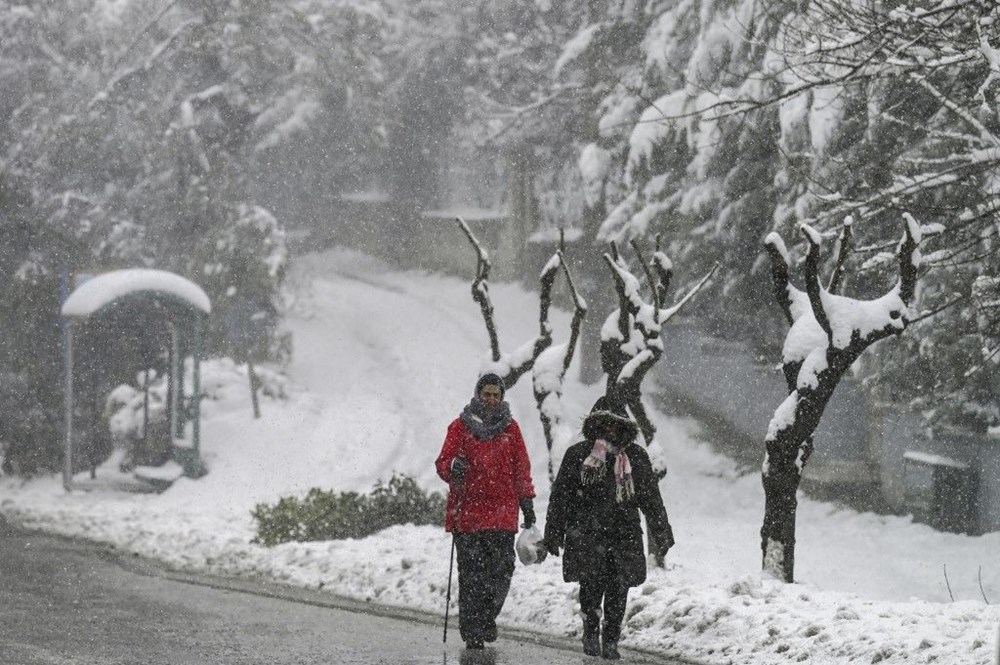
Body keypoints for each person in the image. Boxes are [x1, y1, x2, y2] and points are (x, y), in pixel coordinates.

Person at [543, 395, 674, 660]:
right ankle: (590, 630)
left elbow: (651, 498)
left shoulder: (636, 457)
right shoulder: (579, 454)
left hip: (624, 536)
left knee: (618, 588)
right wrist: (553, 531)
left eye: (616, 424)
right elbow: (561, 497)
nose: (611, 429)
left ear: (625, 427)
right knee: (590, 587)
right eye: (605, 423)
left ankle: (611, 637)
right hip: (587, 535)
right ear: (596, 424)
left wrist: (662, 530)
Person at [436, 372, 537, 650]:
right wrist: (453, 465)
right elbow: (443, 462)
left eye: (496, 394)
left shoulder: (511, 429)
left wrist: (527, 502)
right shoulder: (460, 427)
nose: (491, 399)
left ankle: (486, 618)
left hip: (502, 515)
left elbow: (521, 469)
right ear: (478, 395)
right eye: (487, 394)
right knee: (471, 576)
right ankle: (473, 631)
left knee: (501, 572)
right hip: (467, 515)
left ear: (502, 397)